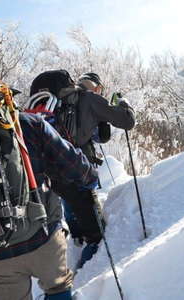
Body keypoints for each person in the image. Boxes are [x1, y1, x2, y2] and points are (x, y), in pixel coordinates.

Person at [0, 80, 99, 300]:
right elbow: (73, 164)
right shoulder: (30, 123)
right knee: (58, 289)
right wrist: (90, 179)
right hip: (42, 237)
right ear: (6, 99)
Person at [51, 72, 135, 268]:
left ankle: (77, 238)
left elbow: (97, 135)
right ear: (96, 87)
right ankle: (87, 268)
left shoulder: (58, 102)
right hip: (79, 169)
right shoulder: (90, 99)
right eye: (99, 90)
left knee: (70, 203)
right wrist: (125, 104)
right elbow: (127, 121)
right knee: (95, 229)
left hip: (56, 168)